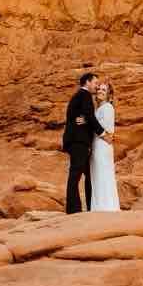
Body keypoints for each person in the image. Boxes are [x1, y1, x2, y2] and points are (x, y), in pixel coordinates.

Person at [61, 71, 110, 213]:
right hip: (78, 141)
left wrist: (87, 120)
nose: (96, 87)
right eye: (95, 83)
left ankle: (91, 206)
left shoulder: (78, 96)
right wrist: (103, 134)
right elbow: (89, 115)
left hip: (76, 140)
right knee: (75, 174)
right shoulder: (85, 95)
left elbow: (85, 117)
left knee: (88, 175)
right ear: (87, 82)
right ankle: (73, 210)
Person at [89, 80, 120, 211]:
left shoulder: (107, 108)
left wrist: (87, 122)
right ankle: (101, 206)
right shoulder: (99, 108)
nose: (100, 92)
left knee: (103, 174)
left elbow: (104, 129)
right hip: (98, 145)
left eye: (104, 90)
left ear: (108, 95)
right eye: (99, 89)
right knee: (98, 174)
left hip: (102, 146)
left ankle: (105, 207)